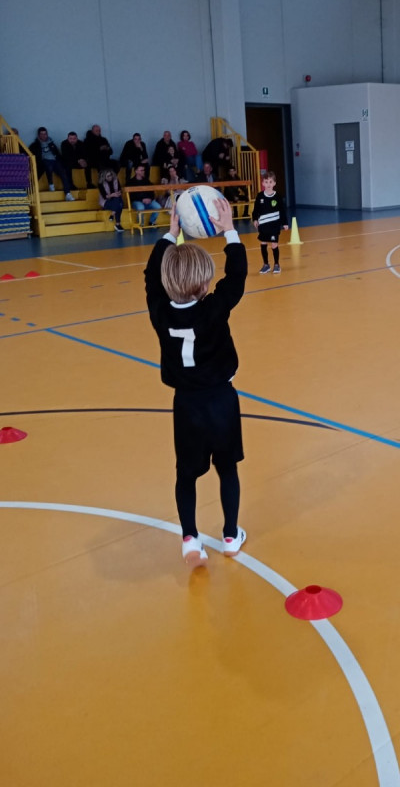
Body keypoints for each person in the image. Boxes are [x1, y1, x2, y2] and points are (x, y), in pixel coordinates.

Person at [144, 197, 248, 567]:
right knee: (227, 468)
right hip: (221, 402)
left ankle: (190, 538)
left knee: (186, 474)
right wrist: (229, 231)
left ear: (165, 280)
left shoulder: (159, 311)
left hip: (186, 405)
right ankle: (231, 535)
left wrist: (170, 234)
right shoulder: (213, 309)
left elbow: (150, 276)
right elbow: (236, 278)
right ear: (205, 282)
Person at [252, 170, 288, 274]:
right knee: (263, 243)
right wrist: (255, 219)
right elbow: (256, 210)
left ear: (274, 183)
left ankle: (276, 264)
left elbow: (282, 211)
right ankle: (266, 264)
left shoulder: (277, 196)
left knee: (274, 244)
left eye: (270, 182)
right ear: (263, 183)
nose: (268, 184)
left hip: (274, 225)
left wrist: (285, 223)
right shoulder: (260, 196)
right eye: (266, 182)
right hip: (263, 225)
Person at [29, 127, 76, 200]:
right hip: (44, 162)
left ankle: (68, 193)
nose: (44, 136)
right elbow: (31, 155)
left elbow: (57, 153)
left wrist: (61, 161)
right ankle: (51, 184)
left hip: (55, 161)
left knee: (63, 172)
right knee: (48, 165)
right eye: (42, 134)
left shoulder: (51, 143)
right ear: (39, 135)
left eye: (45, 134)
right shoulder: (35, 145)